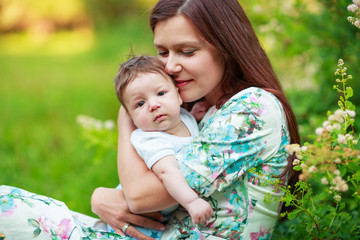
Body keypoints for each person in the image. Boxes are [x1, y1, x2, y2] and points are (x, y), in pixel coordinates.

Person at [0, 0, 300, 239]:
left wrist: (126, 116)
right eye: (162, 52)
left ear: (227, 46)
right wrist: (100, 199)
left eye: (187, 51)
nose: (170, 66)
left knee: (6, 208)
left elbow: (140, 198)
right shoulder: (199, 112)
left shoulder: (252, 109)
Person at [113, 55, 213, 226]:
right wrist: (192, 202)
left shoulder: (182, 117)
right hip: (141, 218)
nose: (153, 105)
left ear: (178, 96)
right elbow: (168, 173)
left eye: (160, 93)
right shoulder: (151, 139)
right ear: (131, 118)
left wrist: (194, 116)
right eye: (140, 104)